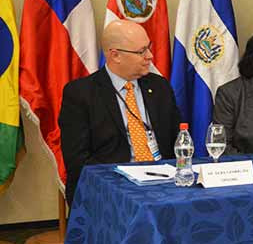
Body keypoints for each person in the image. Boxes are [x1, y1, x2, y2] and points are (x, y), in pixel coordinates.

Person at [59, 20, 181, 206]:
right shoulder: (81, 93)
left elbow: (177, 141)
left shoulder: (159, 86)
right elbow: (78, 161)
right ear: (115, 55)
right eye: (141, 52)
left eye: (149, 48)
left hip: (163, 183)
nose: (150, 56)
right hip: (110, 188)